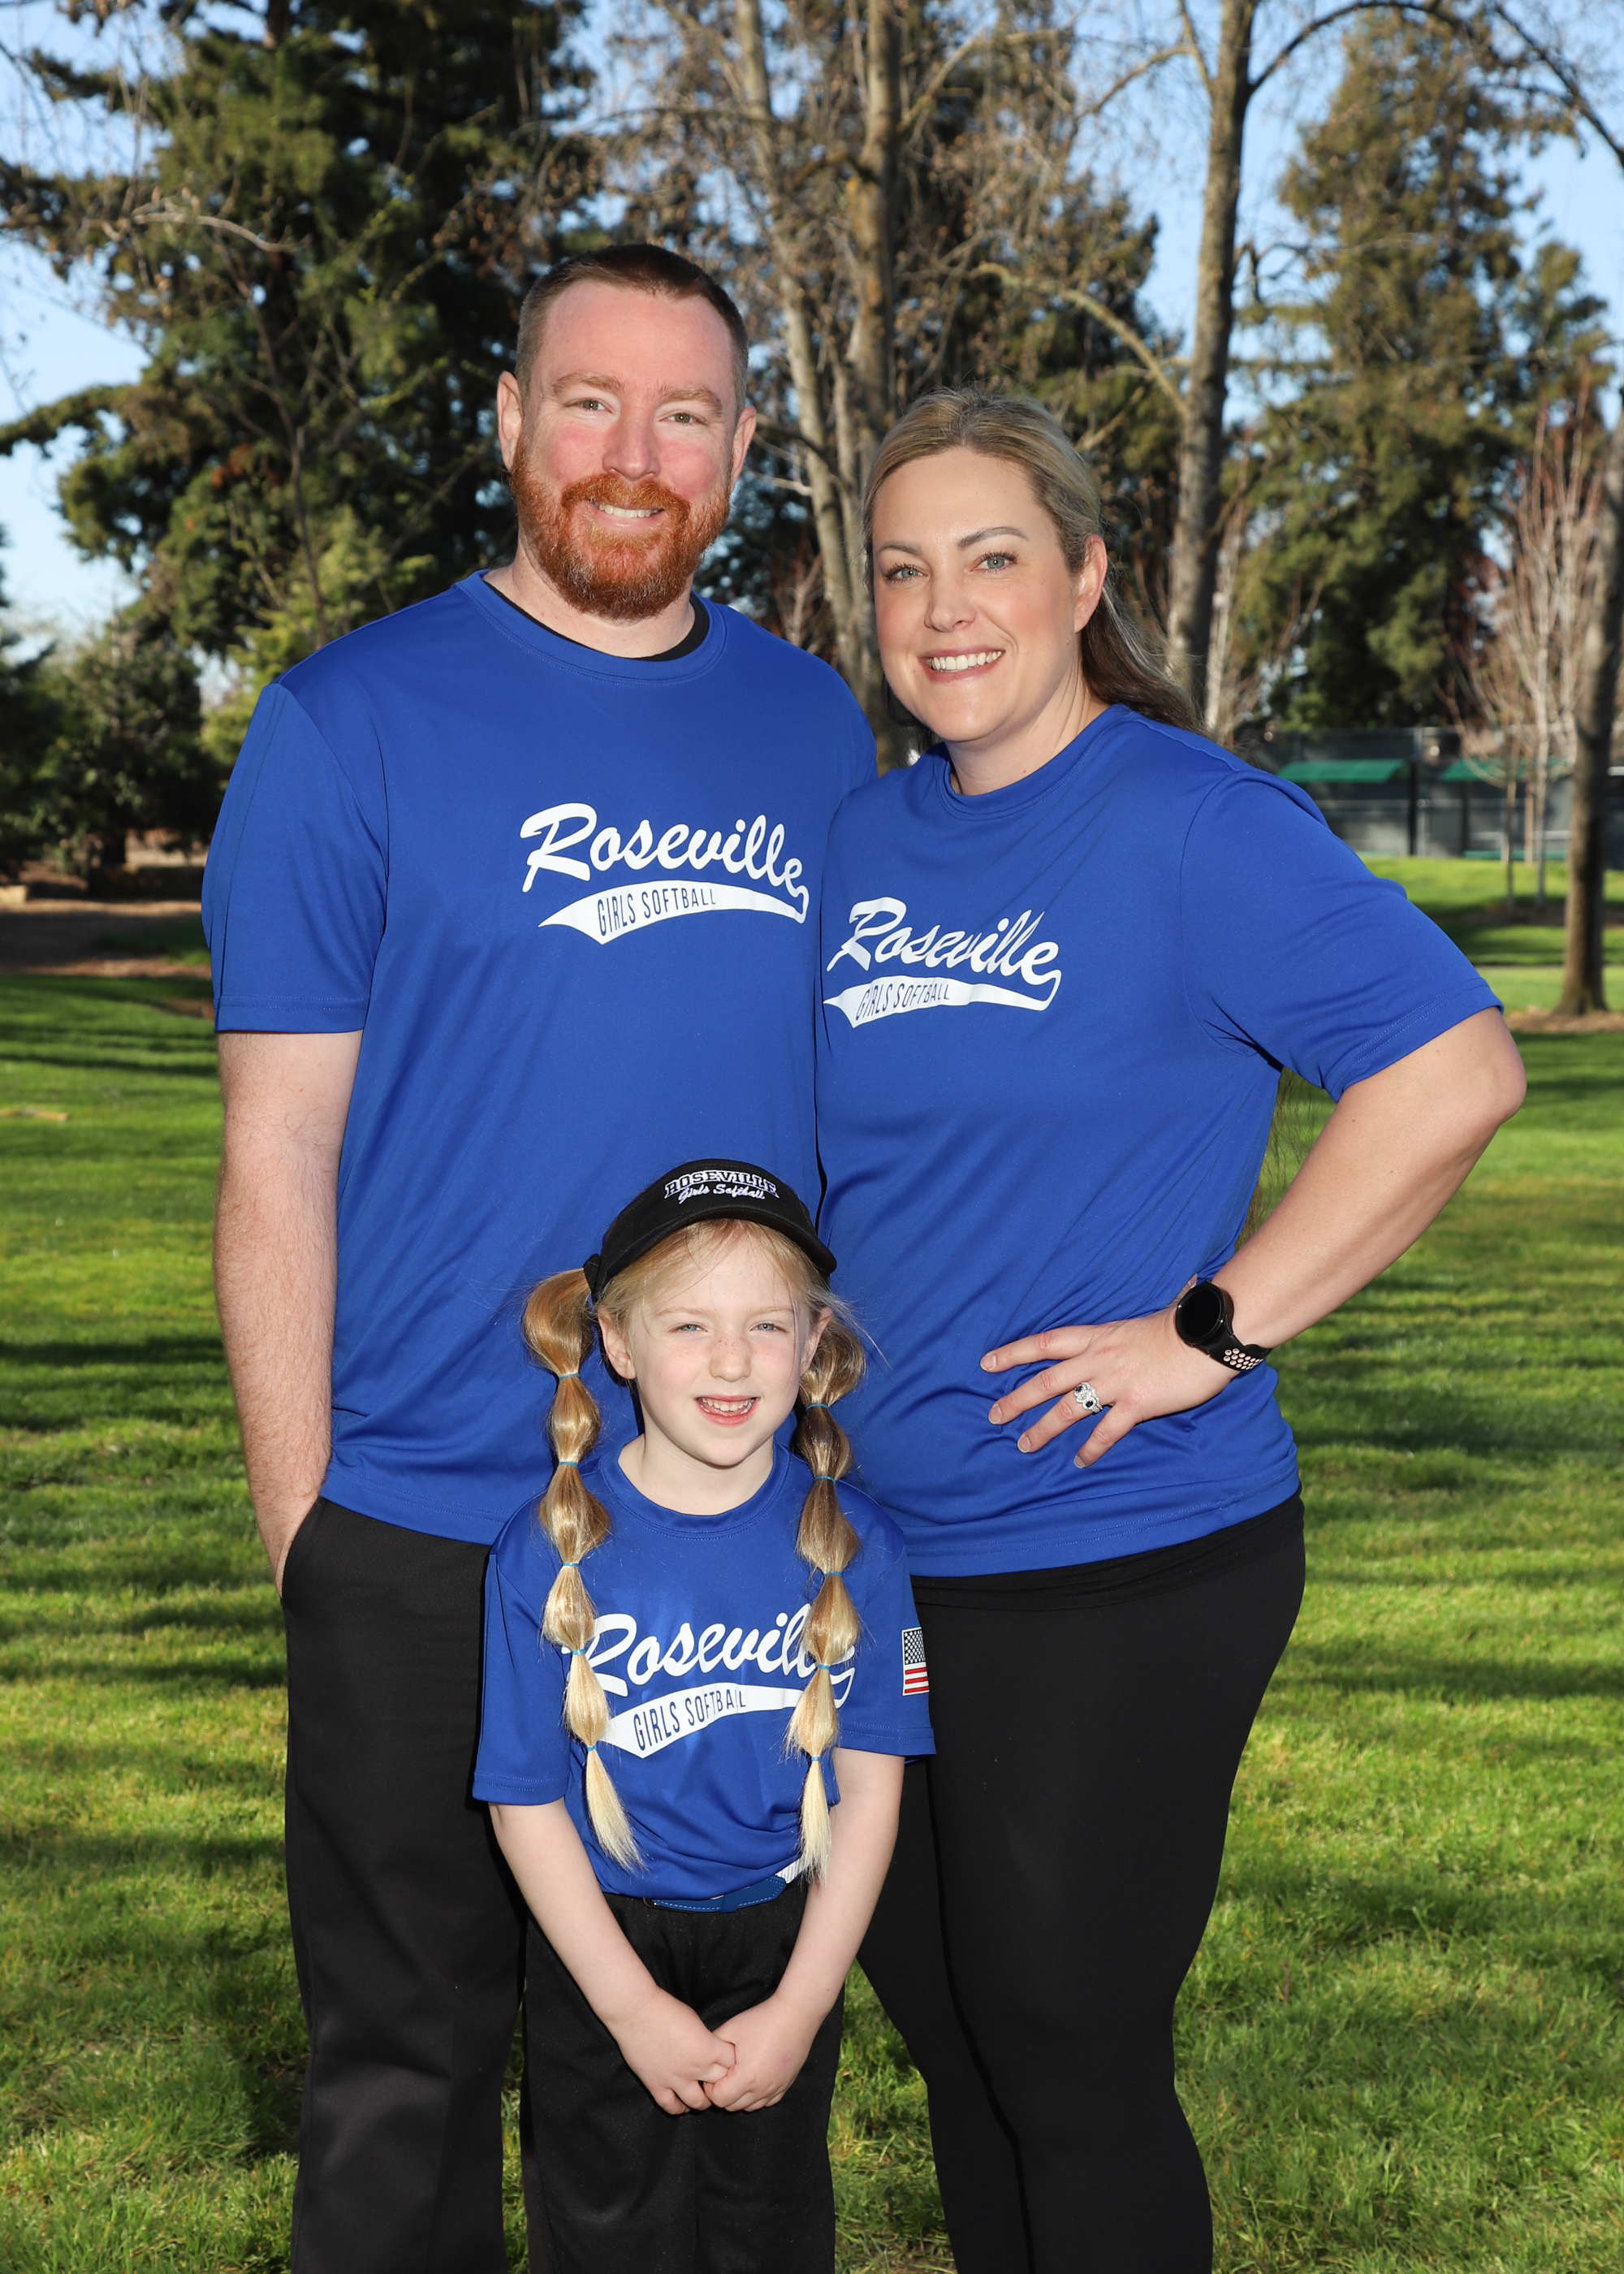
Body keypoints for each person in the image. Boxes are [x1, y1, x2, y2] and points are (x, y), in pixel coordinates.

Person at [202, 247, 874, 2273]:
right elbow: (276, 1148)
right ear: (507, 421)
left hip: (721, 1519)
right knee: (403, 2069)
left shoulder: (810, 724)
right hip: (422, 1511)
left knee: (682, 2077)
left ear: (741, 451)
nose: (631, 454)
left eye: (685, 414)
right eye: (588, 401)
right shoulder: (348, 723)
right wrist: (307, 1528)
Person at [813, 389, 1528, 2274]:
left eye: (990, 557)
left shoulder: (1192, 823)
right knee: (952, 2031)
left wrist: (1210, 1328)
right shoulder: (859, 843)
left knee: (1066, 2039)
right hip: (877, 1550)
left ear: (1083, 578)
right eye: (902, 567)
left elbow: (1454, 1070)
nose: (943, 607)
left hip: (1117, 1542)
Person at [473, 1160, 931, 2273]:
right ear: (619, 1345)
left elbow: (872, 1796)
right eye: (689, 1326)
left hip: (779, 1941)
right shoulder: (548, 1550)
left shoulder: (859, 1550)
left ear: (813, 1345)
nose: (732, 1362)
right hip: (601, 1944)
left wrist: (802, 2006)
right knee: (605, 2235)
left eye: (767, 1326)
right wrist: (629, 2008)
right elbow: (525, 1802)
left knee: (770, 2233)